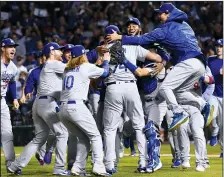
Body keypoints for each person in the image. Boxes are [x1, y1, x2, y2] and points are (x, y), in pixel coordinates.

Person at [106, 3, 213, 132]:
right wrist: (163, 60)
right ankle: (204, 104)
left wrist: (119, 37)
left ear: (168, 14)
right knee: (178, 92)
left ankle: (178, 112)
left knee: (165, 88)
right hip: (200, 64)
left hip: (188, 62)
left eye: (161, 13)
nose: (158, 16)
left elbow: (142, 40)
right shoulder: (185, 25)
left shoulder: (164, 29)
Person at [102, 24, 164, 174]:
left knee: (110, 129)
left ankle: (109, 165)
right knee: (139, 125)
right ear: (118, 34)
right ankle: (143, 162)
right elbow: (157, 57)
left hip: (112, 87)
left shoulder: (103, 49)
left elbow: (99, 72)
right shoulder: (131, 45)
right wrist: (160, 64)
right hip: (131, 86)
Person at [8, 42, 70, 176]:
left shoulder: (48, 65)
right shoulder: (54, 64)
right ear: (52, 52)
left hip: (39, 103)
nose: (61, 53)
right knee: (63, 133)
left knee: (40, 138)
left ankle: (14, 166)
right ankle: (59, 168)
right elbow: (72, 68)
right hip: (48, 103)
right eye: (59, 50)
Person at [58, 45, 110, 176]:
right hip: (76, 106)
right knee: (96, 136)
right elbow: (105, 72)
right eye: (85, 54)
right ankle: (98, 167)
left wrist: (95, 65)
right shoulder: (86, 67)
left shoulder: (67, 69)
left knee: (83, 138)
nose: (86, 55)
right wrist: (106, 61)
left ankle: (77, 167)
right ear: (82, 55)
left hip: (63, 109)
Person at [1, 38, 21, 175]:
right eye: (9, 47)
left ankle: (10, 165)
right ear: (3, 48)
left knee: (8, 132)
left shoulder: (13, 67)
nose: (13, 49)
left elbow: (12, 82)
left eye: (14, 47)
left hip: (2, 100)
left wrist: (14, 98)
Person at [207, 39, 223, 158]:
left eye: (221, 46)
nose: (219, 48)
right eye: (217, 46)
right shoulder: (210, 59)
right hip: (213, 93)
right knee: (212, 115)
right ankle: (214, 133)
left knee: (223, 124)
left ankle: (223, 150)